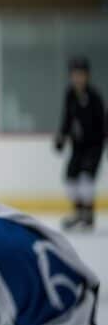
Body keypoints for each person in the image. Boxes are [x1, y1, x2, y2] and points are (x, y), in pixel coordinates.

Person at [55, 56, 105, 232]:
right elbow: (67, 119)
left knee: (86, 178)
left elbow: (103, 124)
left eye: (81, 74)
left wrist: (100, 145)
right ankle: (78, 214)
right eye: (75, 74)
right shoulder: (70, 95)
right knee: (70, 179)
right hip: (78, 146)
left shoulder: (94, 97)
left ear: (87, 76)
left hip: (94, 146)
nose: (78, 78)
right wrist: (61, 137)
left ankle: (88, 216)